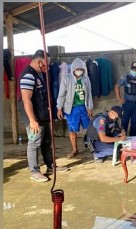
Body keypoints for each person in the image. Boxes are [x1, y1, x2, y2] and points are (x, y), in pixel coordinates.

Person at [18, 50, 68, 182]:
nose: (49, 66)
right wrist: (32, 120)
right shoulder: (28, 75)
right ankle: (34, 171)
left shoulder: (39, 74)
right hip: (33, 117)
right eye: (47, 64)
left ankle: (51, 165)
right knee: (34, 143)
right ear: (39, 62)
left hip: (43, 114)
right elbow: (26, 100)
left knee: (46, 141)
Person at [57, 58, 94, 158]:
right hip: (71, 108)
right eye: (77, 69)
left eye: (81, 69)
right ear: (73, 69)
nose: (79, 71)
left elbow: (89, 94)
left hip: (83, 107)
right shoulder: (66, 78)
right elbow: (61, 94)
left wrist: (90, 107)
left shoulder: (86, 79)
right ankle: (75, 149)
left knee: (90, 127)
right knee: (72, 130)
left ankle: (93, 146)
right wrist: (59, 108)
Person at [114, 61, 136, 136]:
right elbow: (117, 86)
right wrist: (119, 98)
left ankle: (132, 140)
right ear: (130, 69)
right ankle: (123, 139)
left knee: (134, 123)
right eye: (133, 69)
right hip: (127, 104)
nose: (134, 71)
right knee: (124, 122)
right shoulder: (125, 77)